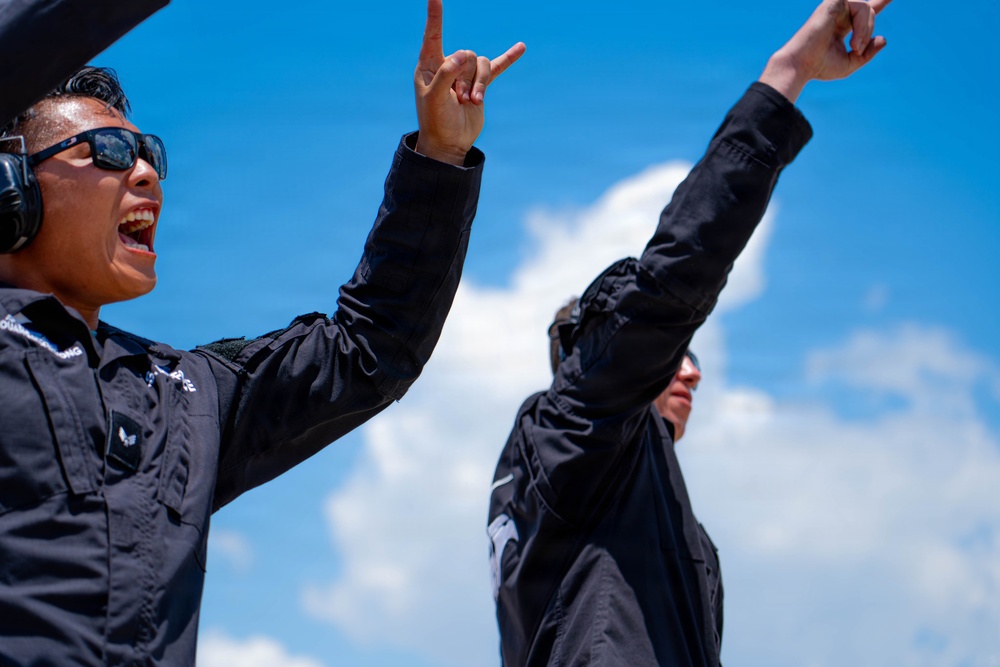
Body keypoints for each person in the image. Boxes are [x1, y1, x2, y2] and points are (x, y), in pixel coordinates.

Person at [0, 1, 523, 664]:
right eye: (106, 151)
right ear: (10, 185)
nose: (145, 172)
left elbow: (370, 348)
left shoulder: (186, 393)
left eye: (149, 152)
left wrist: (441, 156)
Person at [487, 0, 891, 664]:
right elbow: (678, 271)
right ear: (604, 357)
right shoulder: (573, 420)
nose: (693, 370)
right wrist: (787, 74)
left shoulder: (598, 503)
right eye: (674, 352)